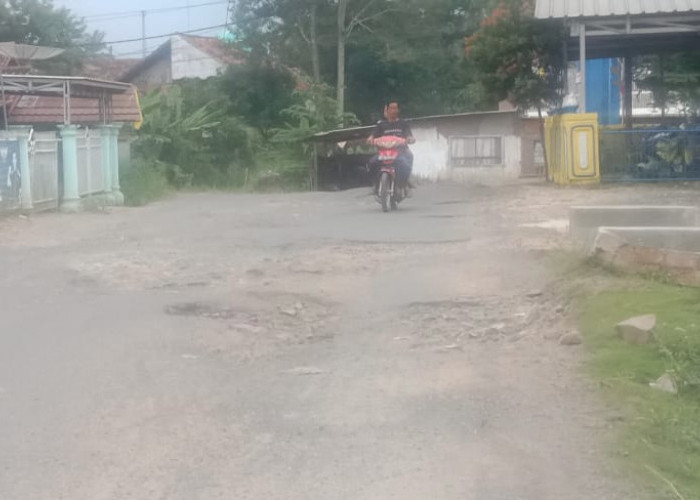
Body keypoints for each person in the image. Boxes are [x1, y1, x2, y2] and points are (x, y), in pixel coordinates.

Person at [366, 101, 415, 195]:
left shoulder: (403, 123)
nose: (393, 110)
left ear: (398, 110)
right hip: (383, 153)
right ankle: (375, 184)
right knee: (371, 163)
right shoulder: (381, 124)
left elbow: (409, 135)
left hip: (400, 152)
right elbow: (373, 135)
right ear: (387, 110)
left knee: (405, 162)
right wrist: (370, 138)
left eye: (395, 108)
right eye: (391, 108)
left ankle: (404, 184)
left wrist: (410, 139)